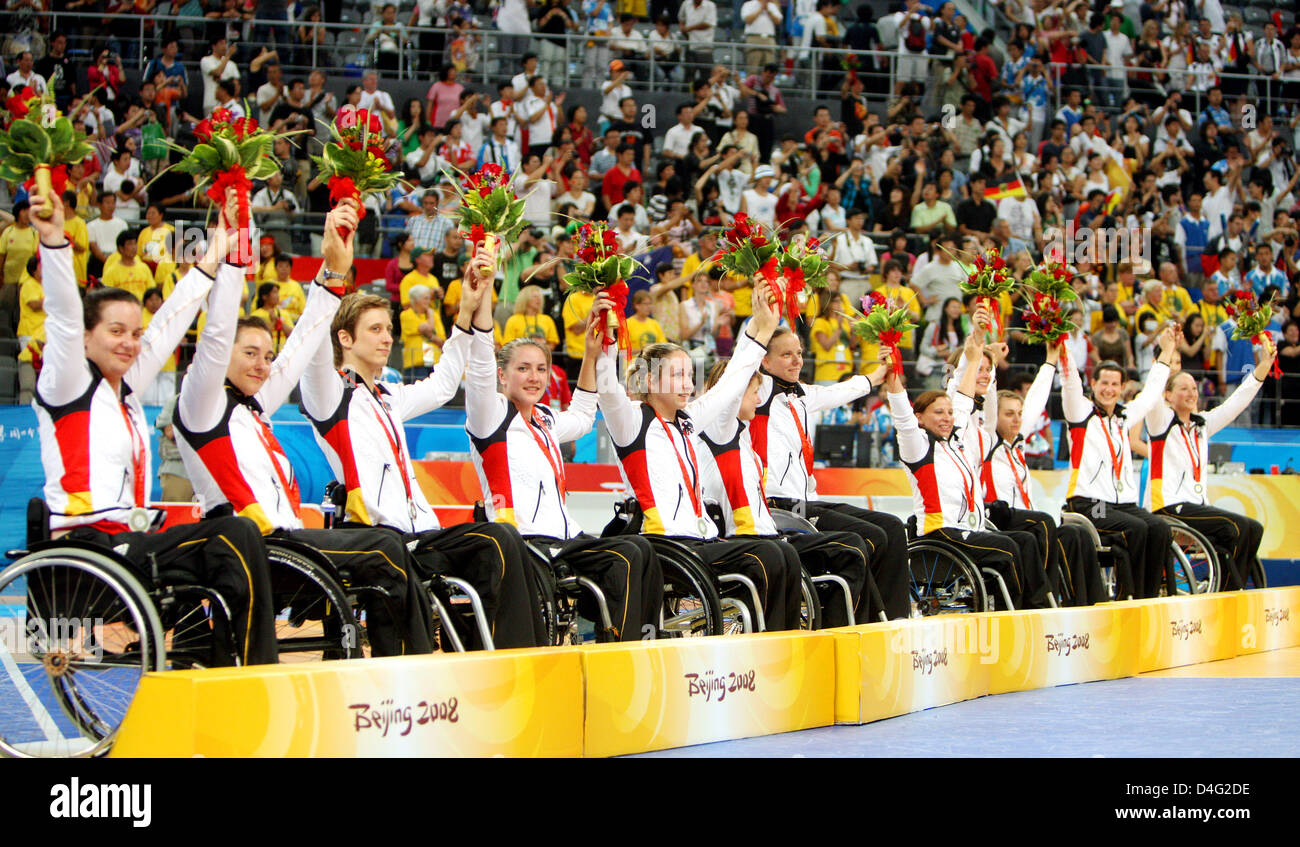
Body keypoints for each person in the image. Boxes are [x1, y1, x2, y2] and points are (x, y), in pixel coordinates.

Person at [175, 199, 432, 657]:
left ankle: (375, 661)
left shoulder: (253, 406)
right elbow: (215, 337)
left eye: (265, 355)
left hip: (288, 545)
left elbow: (300, 344)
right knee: (384, 546)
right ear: (219, 358)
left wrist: (332, 273)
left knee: (384, 548)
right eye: (249, 353)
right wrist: (228, 259)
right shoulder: (201, 405)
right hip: (257, 549)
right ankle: (415, 666)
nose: (262, 363)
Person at [29, 189, 276, 667]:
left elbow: (170, 321)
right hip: (87, 550)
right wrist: (55, 243)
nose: (130, 343)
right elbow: (61, 317)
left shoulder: (121, 389)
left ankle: (216, 680)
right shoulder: (66, 384)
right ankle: (258, 673)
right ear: (86, 338)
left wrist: (217, 252)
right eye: (115, 331)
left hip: (126, 543)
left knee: (212, 568)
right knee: (236, 534)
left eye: (134, 333)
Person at [299, 245, 547, 650]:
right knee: (484, 544)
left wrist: (465, 313)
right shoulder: (330, 396)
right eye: (375, 329)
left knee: (501, 538)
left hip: (421, 535)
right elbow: (312, 356)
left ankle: (516, 654)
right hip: (377, 537)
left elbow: (444, 384)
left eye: (388, 328)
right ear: (344, 337)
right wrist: (332, 274)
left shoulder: (388, 396)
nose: (387, 337)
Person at [595, 278, 798, 630]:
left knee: (783, 552)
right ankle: (770, 641)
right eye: (677, 375)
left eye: (690, 375)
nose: (688, 384)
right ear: (651, 380)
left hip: (701, 541)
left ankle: (783, 641)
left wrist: (761, 328)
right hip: (663, 545)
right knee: (766, 555)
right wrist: (607, 339)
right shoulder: (631, 422)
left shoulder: (689, 422)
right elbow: (608, 390)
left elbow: (733, 378)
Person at [466, 285, 664, 641]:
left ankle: (624, 642)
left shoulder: (544, 420)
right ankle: (611, 641)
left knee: (637, 548)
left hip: (564, 539)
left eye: (541, 369)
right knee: (625, 556)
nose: (534, 377)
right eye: (523, 368)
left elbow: (584, 416)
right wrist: (480, 301)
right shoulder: (489, 417)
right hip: (522, 542)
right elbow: (479, 365)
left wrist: (591, 353)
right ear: (501, 375)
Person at [697, 357, 874, 627]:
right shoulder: (719, 430)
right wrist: (763, 330)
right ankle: (779, 635)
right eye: (754, 392)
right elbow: (729, 391)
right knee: (783, 555)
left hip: (768, 533)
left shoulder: (746, 442)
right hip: (740, 539)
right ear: (734, 394)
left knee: (851, 546)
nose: (759, 400)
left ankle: (836, 631)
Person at [755, 326, 910, 621]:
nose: (796, 360)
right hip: (777, 503)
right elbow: (744, 358)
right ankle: (852, 621)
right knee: (871, 537)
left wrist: (882, 370)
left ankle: (895, 618)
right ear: (764, 361)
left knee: (891, 526)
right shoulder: (759, 391)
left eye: (799, 353)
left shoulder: (799, 395)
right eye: (786, 354)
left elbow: (840, 391)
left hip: (808, 500)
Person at [886, 321, 1029, 612]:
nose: (947, 417)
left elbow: (963, 397)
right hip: (941, 532)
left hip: (967, 528)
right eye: (938, 412)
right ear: (921, 418)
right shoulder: (917, 445)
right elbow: (902, 413)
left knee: (1022, 542)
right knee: (1009, 548)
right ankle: (1016, 616)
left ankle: (1023, 609)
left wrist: (976, 353)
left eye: (949, 413)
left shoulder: (956, 442)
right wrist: (891, 373)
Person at [1145, 337, 1275, 590]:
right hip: (1169, 507)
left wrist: (1264, 366)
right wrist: (1166, 352)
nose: (1191, 393)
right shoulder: (1160, 421)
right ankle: (1229, 592)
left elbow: (1237, 403)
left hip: (1196, 506)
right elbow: (1152, 391)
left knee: (1254, 529)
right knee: (1235, 527)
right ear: (1168, 395)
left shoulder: (1202, 425)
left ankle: (1225, 584)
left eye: (1194, 388)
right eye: (1183, 388)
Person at [1061, 327, 1179, 599]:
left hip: (1122, 504)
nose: (1109, 389)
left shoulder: (1125, 416)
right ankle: (1129, 597)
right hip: (1091, 504)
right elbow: (1069, 382)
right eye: (1104, 383)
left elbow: (1151, 394)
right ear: (1093, 384)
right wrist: (1062, 345)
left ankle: (1148, 596)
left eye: (1115, 384)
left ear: (1123, 387)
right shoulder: (1081, 412)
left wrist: (1166, 351)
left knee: (1159, 527)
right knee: (1135, 528)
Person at [985, 343, 1106, 606]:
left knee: (1077, 535)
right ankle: (1045, 601)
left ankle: (1088, 605)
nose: (1017, 420)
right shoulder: (984, 443)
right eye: (1009, 414)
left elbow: (1037, 399)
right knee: (1042, 523)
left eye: (1019, 414)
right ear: (994, 416)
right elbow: (989, 400)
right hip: (999, 519)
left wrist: (1050, 360)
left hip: (1028, 522)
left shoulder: (1017, 443)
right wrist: (992, 364)